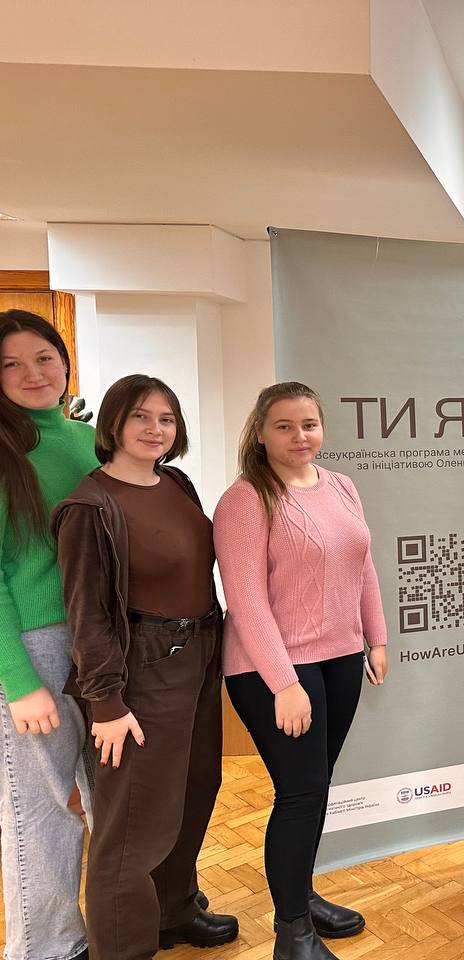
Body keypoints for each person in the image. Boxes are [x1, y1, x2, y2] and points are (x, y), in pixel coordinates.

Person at [53, 374, 238, 960]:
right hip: (142, 667)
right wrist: (106, 702)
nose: (155, 429)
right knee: (136, 818)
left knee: (193, 789)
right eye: (140, 416)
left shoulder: (176, 483)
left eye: (166, 418)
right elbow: (86, 614)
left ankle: (174, 912)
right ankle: (122, 947)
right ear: (112, 422)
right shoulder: (90, 506)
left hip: (201, 652)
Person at [214, 381, 389, 960]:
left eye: (308, 424)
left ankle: (302, 896)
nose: (298, 436)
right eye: (284, 426)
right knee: (300, 792)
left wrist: (376, 637)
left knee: (315, 788)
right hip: (273, 668)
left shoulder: (341, 486)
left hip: (340, 658)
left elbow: (363, 565)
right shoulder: (245, 500)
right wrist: (284, 683)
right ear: (260, 433)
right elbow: (245, 601)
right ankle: (292, 935)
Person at [0, 309, 99, 960]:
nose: (33, 373)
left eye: (43, 357)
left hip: (104, 641)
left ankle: (113, 923)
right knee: (40, 807)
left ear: (65, 360)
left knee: (112, 799)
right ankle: (47, 948)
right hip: (37, 642)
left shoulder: (89, 440)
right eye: (10, 364)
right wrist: (19, 680)